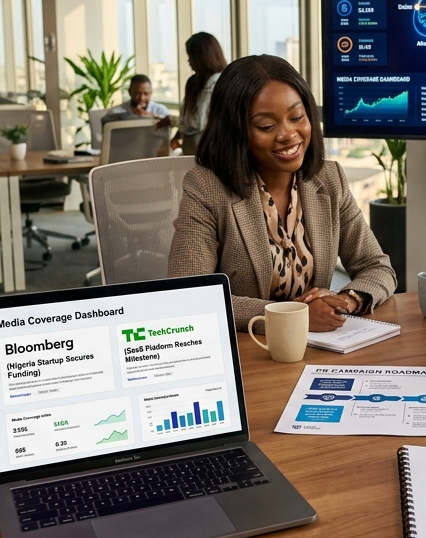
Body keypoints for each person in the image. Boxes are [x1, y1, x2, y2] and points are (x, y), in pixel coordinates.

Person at [168, 55, 396, 332]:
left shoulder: (329, 178)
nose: (288, 134)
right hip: (250, 352)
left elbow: (377, 267)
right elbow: (191, 297)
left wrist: (346, 300)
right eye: (266, 126)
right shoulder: (207, 188)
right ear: (235, 131)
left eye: (297, 117)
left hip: (317, 350)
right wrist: (292, 316)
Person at [172, 32, 227, 155]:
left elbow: (198, 122)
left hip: (209, 150)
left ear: (202, 57)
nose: (188, 61)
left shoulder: (218, 82)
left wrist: (174, 122)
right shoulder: (194, 82)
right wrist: (178, 133)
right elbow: (187, 116)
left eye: (191, 56)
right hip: (193, 148)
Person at [101, 75, 170, 126]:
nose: (142, 98)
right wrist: (132, 116)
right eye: (137, 93)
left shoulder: (160, 110)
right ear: (129, 92)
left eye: (146, 94)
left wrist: (150, 116)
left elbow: (171, 123)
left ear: (151, 93)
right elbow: (105, 122)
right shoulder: (117, 111)